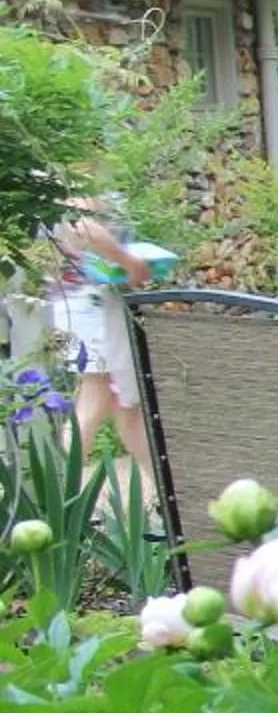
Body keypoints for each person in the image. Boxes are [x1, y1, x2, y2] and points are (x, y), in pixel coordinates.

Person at [43, 196, 157, 500]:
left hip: (81, 308)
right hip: (91, 310)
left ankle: (169, 499)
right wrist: (130, 263)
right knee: (93, 404)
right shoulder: (74, 183)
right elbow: (84, 227)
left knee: (127, 411)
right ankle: (58, 500)